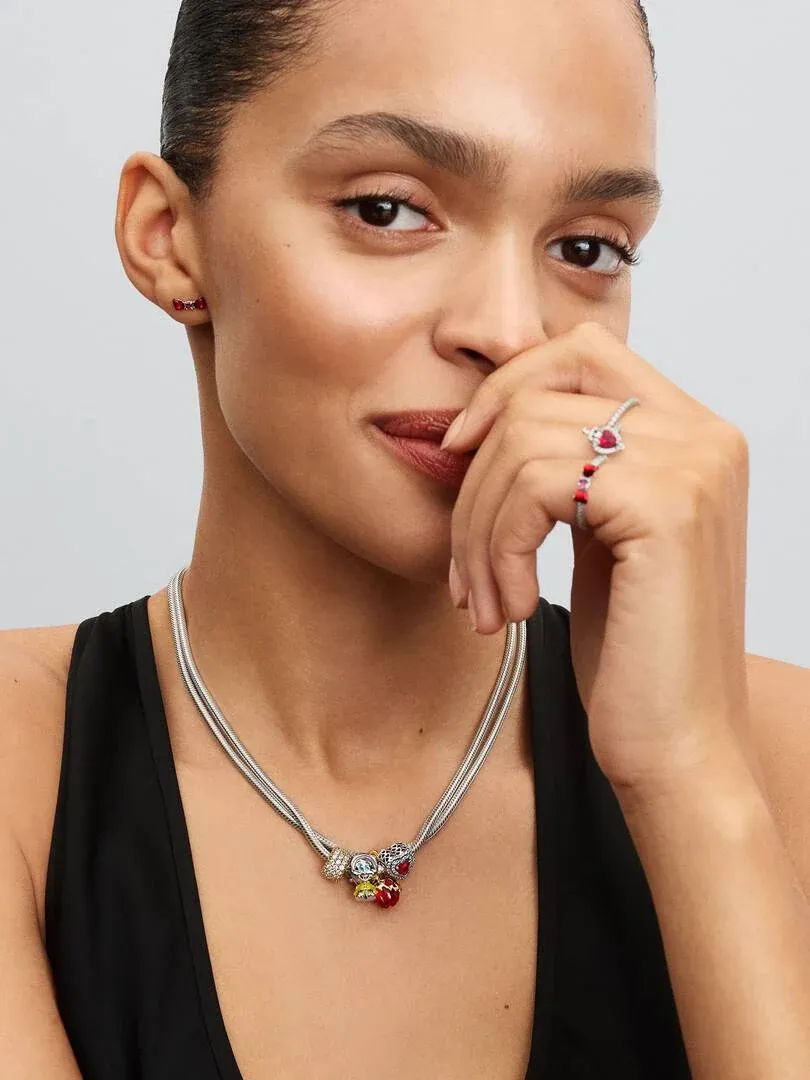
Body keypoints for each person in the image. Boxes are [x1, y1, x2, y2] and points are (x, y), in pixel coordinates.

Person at [3, 0, 810, 1077]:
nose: (512, 329)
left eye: (585, 247)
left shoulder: (771, 764)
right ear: (168, 237)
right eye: (388, 209)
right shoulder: (24, 762)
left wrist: (693, 790)